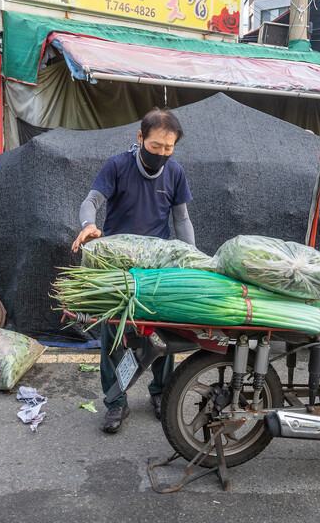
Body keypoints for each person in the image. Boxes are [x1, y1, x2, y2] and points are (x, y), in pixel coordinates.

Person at [71, 107, 195, 434]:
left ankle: (161, 393)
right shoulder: (117, 166)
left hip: (156, 266)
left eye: (168, 148)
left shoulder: (175, 172)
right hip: (117, 266)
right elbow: (91, 201)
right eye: (155, 147)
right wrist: (89, 226)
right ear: (140, 137)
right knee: (114, 335)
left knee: (163, 332)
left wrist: (192, 257)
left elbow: (181, 220)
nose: (162, 154)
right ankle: (115, 402)